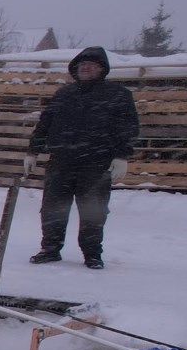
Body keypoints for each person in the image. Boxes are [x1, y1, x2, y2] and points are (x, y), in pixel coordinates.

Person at [27, 46, 139, 270]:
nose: (86, 67)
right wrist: (33, 151)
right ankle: (50, 249)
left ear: (102, 69)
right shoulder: (64, 94)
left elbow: (127, 127)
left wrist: (121, 156)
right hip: (61, 161)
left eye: (92, 64)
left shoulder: (117, 95)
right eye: (82, 64)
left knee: (93, 210)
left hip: (95, 163)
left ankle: (92, 254)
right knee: (53, 207)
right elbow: (45, 123)